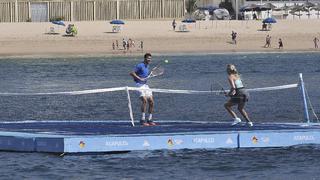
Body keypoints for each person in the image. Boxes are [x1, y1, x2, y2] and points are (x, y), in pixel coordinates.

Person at [130, 53, 156, 126]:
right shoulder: (140, 65)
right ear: (144, 58)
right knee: (144, 100)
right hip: (138, 85)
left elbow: (145, 76)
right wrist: (139, 78)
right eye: (148, 58)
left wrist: (151, 72)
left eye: (150, 58)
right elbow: (131, 73)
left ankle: (150, 120)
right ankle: (142, 119)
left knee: (151, 101)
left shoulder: (147, 66)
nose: (149, 60)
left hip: (145, 85)